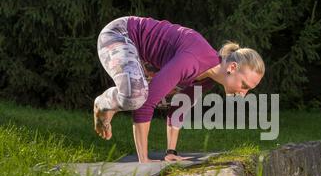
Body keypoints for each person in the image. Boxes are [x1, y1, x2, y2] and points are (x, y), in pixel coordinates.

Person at [94, 16, 265, 163]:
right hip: (119, 35)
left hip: (140, 55)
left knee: (157, 95)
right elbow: (146, 104)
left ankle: (112, 104)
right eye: (244, 85)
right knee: (138, 97)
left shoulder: (208, 78)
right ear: (233, 67)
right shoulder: (192, 60)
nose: (243, 94)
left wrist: (170, 152)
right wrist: (143, 159)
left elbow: (178, 107)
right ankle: (104, 102)